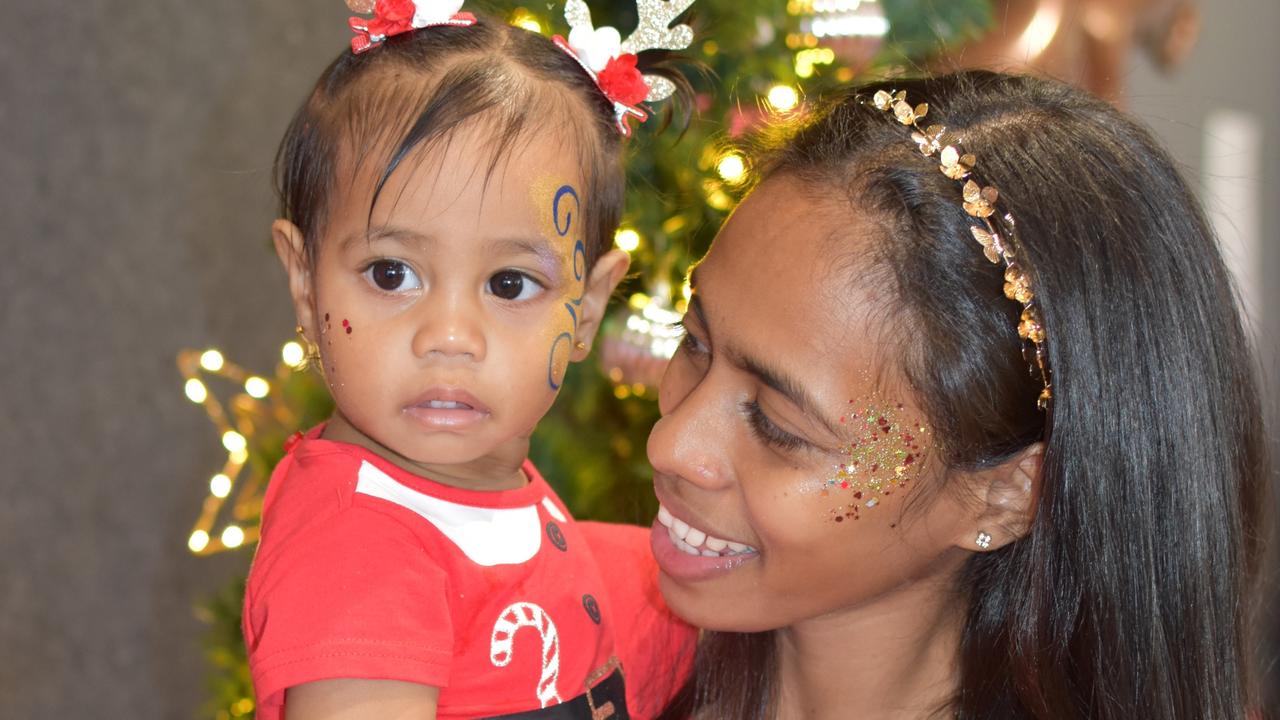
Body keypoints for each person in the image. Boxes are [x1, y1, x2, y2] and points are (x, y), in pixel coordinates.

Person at [647, 70, 1270, 719]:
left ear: (1006, 495)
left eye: (778, 426)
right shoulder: (581, 643)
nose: (670, 444)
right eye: (694, 343)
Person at [241, 2, 697, 718]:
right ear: (304, 283)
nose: (450, 335)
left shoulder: (468, 484)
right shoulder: (358, 550)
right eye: (392, 274)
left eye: (510, 284)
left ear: (586, 310)